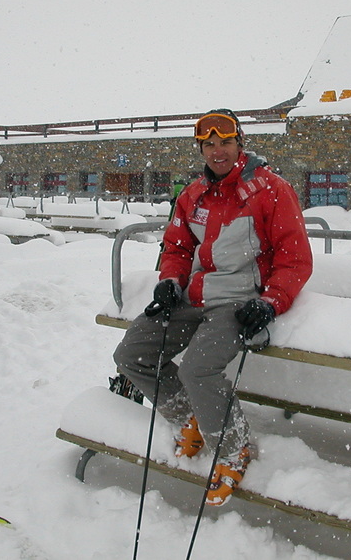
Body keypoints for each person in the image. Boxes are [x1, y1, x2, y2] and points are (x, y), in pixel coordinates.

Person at [114, 109, 313, 506]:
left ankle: (234, 448)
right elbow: (177, 246)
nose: (217, 151)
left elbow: (296, 259)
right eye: (209, 144)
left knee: (197, 367)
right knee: (132, 354)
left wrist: (270, 302)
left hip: (239, 301)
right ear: (201, 149)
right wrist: (170, 281)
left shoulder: (270, 190)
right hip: (195, 296)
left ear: (239, 142)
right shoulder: (193, 195)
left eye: (225, 142)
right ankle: (192, 419)